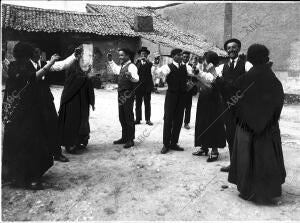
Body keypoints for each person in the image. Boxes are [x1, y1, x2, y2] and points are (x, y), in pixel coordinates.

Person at [228, 44, 286, 203]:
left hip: (247, 127)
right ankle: (268, 191)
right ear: (265, 58)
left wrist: (242, 116)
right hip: (268, 127)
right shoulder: (272, 77)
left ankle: (248, 190)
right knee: (266, 156)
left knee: (247, 157)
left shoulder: (245, 77)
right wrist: (272, 119)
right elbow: (279, 100)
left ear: (250, 59)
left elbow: (233, 98)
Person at [2, 42, 60, 190]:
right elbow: (33, 77)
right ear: (28, 54)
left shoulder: (13, 65)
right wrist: (51, 63)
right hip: (26, 112)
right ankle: (31, 178)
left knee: (17, 144)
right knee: (31, 144)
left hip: (14, 112)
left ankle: (16, 176)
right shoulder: (24, 66)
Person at [30, 46, 80, 162]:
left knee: (53, 125)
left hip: (46, 100)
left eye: (39, 52)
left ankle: (57, 153)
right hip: (32, 102)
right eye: (35, 52)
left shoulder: (44, 63)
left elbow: (61, 65)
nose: (38, 54)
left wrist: (74, 55)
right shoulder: (26, 66)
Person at [217, 38, 253, 172]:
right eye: (229, 48)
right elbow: (216, 83)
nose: (231, 50)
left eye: (234, 47)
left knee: (244, 136)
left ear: (238, 49)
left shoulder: (247, 65)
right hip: (227, 107)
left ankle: (245, 166)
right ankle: (233, 164)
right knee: (230, 134)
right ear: (226, 51)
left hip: (242, 106)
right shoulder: (222, 67)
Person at [58, 47, 95, 154]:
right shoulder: (72, 66)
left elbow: (88, 82)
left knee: (82, 119)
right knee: (72, 121)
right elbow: (71, 82)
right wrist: (86, 76)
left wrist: (91, 99)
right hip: (72, 98)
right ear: (78, 56)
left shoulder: (84, 66)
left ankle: (79, 142)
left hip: (82, 98)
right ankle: (70, 144)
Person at [193, 51, 226, 162]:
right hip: (204, 98)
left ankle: (215, 150)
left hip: (214, 100)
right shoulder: (205, 68)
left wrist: (199, 73)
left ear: (211, 60)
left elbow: (211, 79)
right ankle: (204, 147)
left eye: (206, 58)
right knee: (202, 122)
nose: (204, 60)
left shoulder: (219, 69)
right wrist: (197, 73)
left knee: (213, 123)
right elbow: (202, 77)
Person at [152, 48, 187, 154]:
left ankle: (174, 143)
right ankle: (166, 144)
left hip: (182, 97)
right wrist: (155, 64)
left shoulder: (186, 67)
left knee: (179, 120)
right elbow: (157, 74)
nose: (182, 56)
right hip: (171, 96)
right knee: (168, 120)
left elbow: (195, 75)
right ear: (174, 56)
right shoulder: (167, 67)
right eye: (179, 55)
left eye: (182, 55)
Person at [107, 48, 139, 149]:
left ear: (127, 56)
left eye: (122, 55)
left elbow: (136, 79)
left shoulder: (132, 66)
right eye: (119, 55)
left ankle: (130, 139)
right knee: (122, 116)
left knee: (128, 116)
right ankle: (124, 137)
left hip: (127, 94)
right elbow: (116, 70)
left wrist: (130, 77)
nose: (120, 57)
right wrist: (111, 60)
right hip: (121, 93)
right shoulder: (122, 66)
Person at [134, 47, 154, 126]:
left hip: (147, 86)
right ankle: (138, 119)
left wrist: (147, 61)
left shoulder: (150, 63)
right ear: (140, 54)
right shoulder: (137, 63)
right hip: (138, 86)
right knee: (138, 103)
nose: (143, 55)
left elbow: (152, 67)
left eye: (145, 53)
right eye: (142, 53)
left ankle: (148, 119)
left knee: (147, 103)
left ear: (147, 55)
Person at [182, 51, 198, 130]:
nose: (185, 58)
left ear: (189, 58)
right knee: (179, 106)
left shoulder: (192, 66)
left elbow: (195, 78)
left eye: (187, 57)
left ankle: (186, 122)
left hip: (188, 89)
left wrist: (190, 85)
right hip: (179, 89)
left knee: (188, 106)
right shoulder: (178, 64)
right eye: (184, 57)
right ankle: (177, 121)